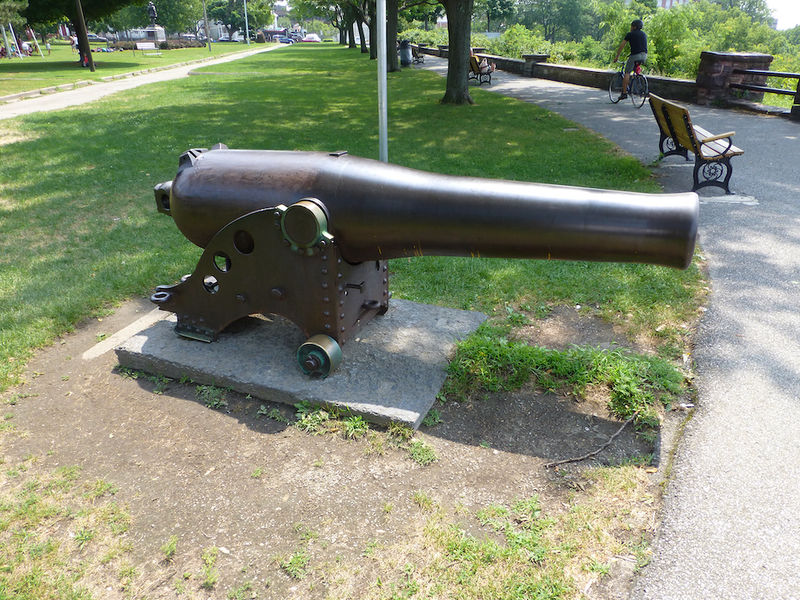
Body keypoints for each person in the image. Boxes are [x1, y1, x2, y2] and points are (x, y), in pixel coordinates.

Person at [613, 19, 647, 101]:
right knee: (635, 67)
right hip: (644, 55)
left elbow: (622, 45)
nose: (630, 28)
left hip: (635, 55)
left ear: (634, 27)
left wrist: (617, 56)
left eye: (631, 26)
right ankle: (637, 77)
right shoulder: (644, 34)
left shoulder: (630, 34)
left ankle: (624, 93)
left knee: (627, 72)